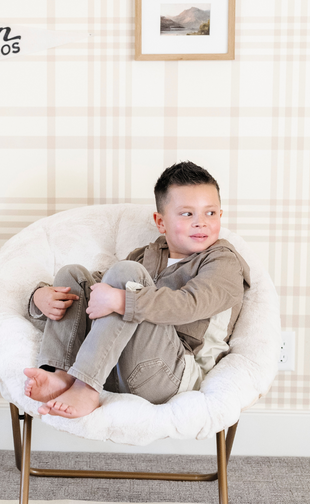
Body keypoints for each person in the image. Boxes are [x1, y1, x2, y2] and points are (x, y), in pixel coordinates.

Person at [23, 161, 251, 419]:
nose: (201, 223)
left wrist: (123, 300)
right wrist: (40, 296)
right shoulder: (147, 256)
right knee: (73, 274)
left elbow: (191, 304)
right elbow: (99, 286)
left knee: (125, 274)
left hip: (171, 372)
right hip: (116, 364)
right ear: (161, 222)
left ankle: (85, 387)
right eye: (187, 214)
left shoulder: (222, 261)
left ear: (220, 216)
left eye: (210, 213)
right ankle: (60, 373)